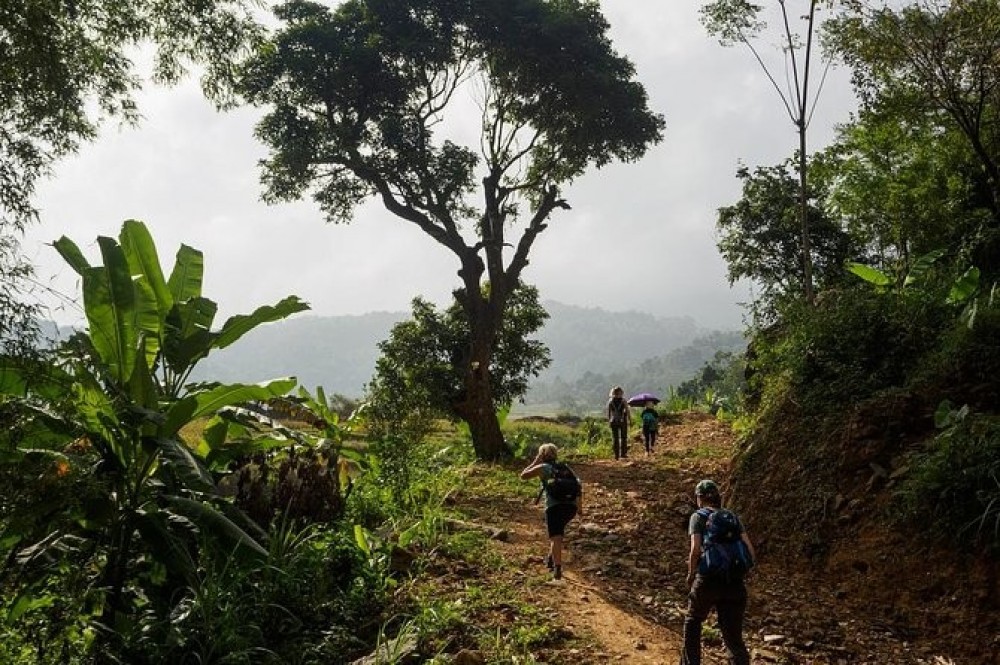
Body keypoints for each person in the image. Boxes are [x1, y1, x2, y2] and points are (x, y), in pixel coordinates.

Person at [682, 479, 756, 665]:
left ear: (699, 498)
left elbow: (695, 550)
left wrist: (691, 574)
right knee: (733, 636)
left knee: (693, 620)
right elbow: (750, 550)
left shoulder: (698, 517)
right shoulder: (732, 517)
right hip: (734, 582)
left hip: (708, 579)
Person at [519, 443, 581, 580]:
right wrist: (579, 508)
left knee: (556, 537)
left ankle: (557, 568)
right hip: (571, 508)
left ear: (542, 455)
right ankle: (551, 559)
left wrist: (536, 461)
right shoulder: (565, 468)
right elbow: (578, 484)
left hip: (554, 507)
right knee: (557, 533)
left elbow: (523, 476)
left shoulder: (543, 468)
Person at [606, 386, 630, 459]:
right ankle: (623, 454)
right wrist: (630, 419)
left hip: (613, 421)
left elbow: (608, 413)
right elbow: (627, 411)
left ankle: (616, 455)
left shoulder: (610, 401)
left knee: (615, 438)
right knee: (623, 437)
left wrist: (609, 421)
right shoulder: (623, 401)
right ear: (621, 392)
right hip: (622, 421)